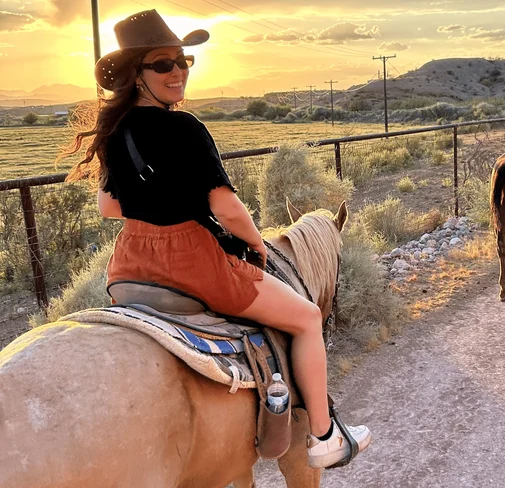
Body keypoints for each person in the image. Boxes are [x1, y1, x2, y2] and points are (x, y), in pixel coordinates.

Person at [62, 10, 371, 469]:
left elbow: (110, 208)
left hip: (130, 261)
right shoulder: (185, 127)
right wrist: (258, 244)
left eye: (183, 60)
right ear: (137, 74)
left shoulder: (115, 132)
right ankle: (324, 436)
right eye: (163, 64)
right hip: (191, 259)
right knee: (306, 317)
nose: (178, 71)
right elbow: (225, 206)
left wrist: (155, 207)